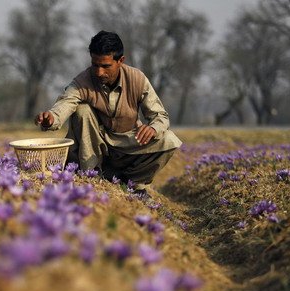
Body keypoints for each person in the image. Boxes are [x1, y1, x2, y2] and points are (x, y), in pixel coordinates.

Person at [35, 31, 182, 195]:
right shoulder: (82, 82)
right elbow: (65, 103)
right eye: (95, 65)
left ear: (121, 61)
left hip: (128, 142)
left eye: (106, 66)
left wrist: (153, 128)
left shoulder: (137, 79)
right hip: (95, 144)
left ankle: (132, 182)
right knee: (82, 110)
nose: (99, 72)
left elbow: (160, 116)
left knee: (169, 140)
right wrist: (51, 118)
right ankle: (91, 177)